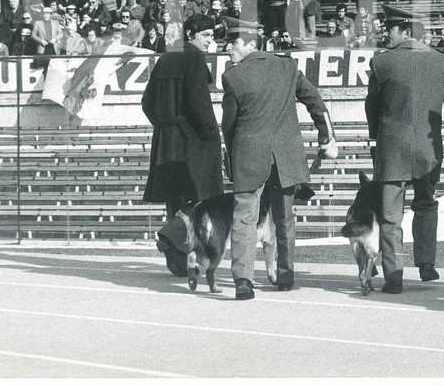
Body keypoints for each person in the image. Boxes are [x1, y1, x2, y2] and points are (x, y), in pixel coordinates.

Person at [221, 18, 336, 299]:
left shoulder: (233, 77)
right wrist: (326, 136)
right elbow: (315, 102)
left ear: (250, 43)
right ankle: (285, 275)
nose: (227, 48)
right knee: (285, 219)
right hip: (286, 155)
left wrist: (232, 156)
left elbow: (229, 126)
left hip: (249, 156)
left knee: (244, 219)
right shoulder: (288, 67)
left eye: (232, 43)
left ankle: (243, 281)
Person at [365, 4, 444, 294]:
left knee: (390, 217)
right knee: (425, 205)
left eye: (390, 29)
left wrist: (376, 138)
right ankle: (426, 264)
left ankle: (394, 277)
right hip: (428, 150)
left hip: (391, 150)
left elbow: (371, 108)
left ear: (406, 31)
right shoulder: (443, 62)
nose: (386, 34)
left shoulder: (381, 63)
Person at [141, 15, 224, 224]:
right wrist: (210, 133)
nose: (209, 41)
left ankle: (175, 255)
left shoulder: (165, 58)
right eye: (205, 35)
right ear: (189, 34)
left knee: (174, 207)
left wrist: (165, 124)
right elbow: (199, 103)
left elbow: (146, 102)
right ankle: (191, 255)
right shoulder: (194, 58)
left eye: (212, 36)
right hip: (191, 143)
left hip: (166, 143)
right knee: (195, 205)